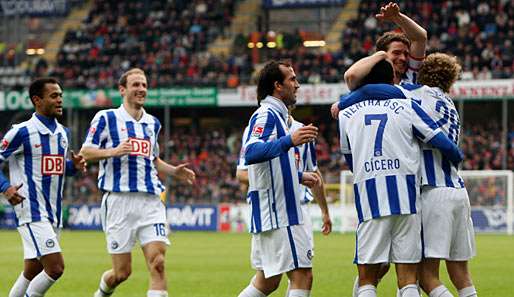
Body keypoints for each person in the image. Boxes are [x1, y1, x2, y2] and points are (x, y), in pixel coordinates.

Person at [337, 60, 463, 297]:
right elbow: (440, 140)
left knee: (367, 280)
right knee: (407, 280)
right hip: (407, 199)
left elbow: (350, 159)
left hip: (370, 199)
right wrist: (457, 155)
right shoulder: (407, 105)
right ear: (392, 80)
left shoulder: (346, 113)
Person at [80, 68, 195, 297]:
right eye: (136, 85)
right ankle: (102, 292)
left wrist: (174, 171)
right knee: (121, 273)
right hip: (119, 202)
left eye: (144, 85)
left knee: (158, 262)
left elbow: (152, 159)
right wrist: (113, 151)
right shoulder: (106, 118)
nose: (141, 89)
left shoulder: (152, 123)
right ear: (122, 90)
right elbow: (86, 152)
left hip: (151, 201)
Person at [237, 60, 320, 297]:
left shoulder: (277, 116)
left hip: (274, 211)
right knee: (302, 275)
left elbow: (271, 165)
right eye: (292, 79)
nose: (298, 84)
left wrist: (299, 176)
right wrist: (289, 141)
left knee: (268, 281)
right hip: (281, 213)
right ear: (277, 86)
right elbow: (252, 152)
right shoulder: (267, 115)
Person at [2, 77, 86, 297]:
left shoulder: (63, 134)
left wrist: (73, 167)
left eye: (60, 95)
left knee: (33, 270)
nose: (60, 100)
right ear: (37, 100)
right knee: (55, 268)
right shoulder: (21, 132)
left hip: (52, 212)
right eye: (54, 96)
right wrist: (5, 188)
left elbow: (54, 168)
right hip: (31, 210)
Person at [411, 53, 477, 297]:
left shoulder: (417, 94)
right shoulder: (449, 105)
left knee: (425, 276)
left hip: (433, 191)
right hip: (458, 191)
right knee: (461, 273)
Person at [331, 1, 427, 120]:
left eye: (406, 54)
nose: (402, 58)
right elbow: (351, 76)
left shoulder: (412, 75)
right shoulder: (369, 80)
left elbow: (420, 38)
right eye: (396, 53)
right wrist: (381, 54)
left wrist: (398, 18)